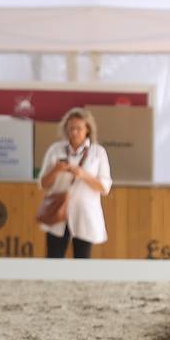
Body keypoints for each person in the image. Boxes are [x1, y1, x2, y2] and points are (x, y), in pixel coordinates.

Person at [38, 108, 112, 259]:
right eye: (71, 128)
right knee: (53, 257)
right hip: (58, 212)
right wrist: (56, 170)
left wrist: (83, 174)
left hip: (84, 213)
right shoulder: (55, 149)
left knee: (82, 260)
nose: (74, 132)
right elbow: (43, 184)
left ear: (87, 130)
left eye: (79, 128)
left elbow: (105, 187)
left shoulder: (98, 152)